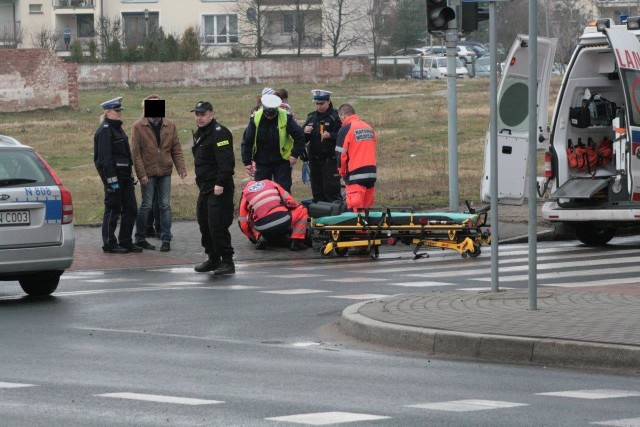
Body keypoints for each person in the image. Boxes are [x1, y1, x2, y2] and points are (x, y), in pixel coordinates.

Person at [131, 94, 187, 252]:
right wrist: (141, 174)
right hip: (147, 172)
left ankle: (166, 238)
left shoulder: (170, 125)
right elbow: (136, 153)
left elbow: (176, 147)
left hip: (165, 171)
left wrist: (181, 168)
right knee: (146, 205)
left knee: (165, 206)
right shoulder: (138, 126)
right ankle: (140, 237)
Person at [191, 101, 236, 275]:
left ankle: (227, 261)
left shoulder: (220, 133)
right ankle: (213, 258)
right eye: (197, 114)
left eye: (202, 114)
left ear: (211, 114)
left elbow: (226, 163)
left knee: (217, 225)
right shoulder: (200, 134)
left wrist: (220, 183)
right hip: (205, 187)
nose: (199, 117)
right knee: (204, 223)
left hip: (219, 187)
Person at [93, 96, 142, 254]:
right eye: (116, 110)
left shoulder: (117, 127)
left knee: (131, 209)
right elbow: (104, 160)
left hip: (125, 177)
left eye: (120, 110)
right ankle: (109, 243)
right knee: (113, 210)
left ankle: (125, 241)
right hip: (114, 179)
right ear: (107, 112)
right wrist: (111, 181)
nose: (119, 113)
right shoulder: (105, 130)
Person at [241, 93, 305, 193]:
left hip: (282, 160)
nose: (270, 117)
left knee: (283, 191)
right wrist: (247, 162)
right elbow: (247, 140)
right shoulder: (255, 118)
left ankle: (284, 208)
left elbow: (299, 135)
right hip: (262, 161)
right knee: (261, 191)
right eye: (267, 115)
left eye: (272, 115)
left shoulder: (285, 116)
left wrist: (294, 154)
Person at [238, 179, 309, 251]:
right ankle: (296, 241)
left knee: (250, 219)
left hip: (261, 226)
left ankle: (259, 237)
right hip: (282, 219)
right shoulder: (269, 183)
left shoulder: (245, 193)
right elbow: (290, 201)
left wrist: (251, 237)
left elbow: (243, 223)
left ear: (243, 188)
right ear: (255, 181)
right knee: (302, 209)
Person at [335, 103, 378, 211]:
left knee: (356, 212)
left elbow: (340, 155)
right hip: (371, 173)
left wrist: (342, 173)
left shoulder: (346, 129)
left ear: (343, 115)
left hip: (355, 175)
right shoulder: (368, 127)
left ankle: (358, 229)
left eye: (340, 117)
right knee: (367, 210)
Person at [302, 89, 342, 203]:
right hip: (314, 158)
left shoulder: (335, 116)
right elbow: (302, 139)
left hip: (330, 159)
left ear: (328, 101)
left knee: (330, 188)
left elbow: (343, 135)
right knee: (316, 188)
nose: (319, 106)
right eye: (317, 104)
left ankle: (335, 212)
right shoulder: (311, 117)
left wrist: (330, 135)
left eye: (321, 103)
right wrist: (304, 131)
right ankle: (319, 211)